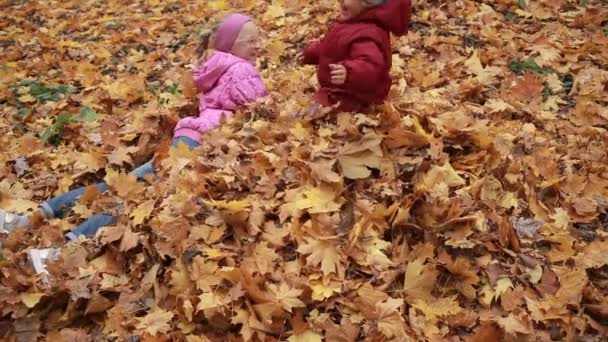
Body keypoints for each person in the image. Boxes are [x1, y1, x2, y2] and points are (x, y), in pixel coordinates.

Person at [0, 13, 267, 275]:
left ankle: (27, 220)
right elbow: (261, 112)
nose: (258, 46)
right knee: (135, 201)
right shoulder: (243, 69)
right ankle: (58, 255)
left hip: (187, 140)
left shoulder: (217, 66)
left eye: (259, 39)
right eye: (251, 41)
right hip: (200, 147)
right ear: (230, 44)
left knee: (116, 187)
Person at [301, 0, 412, 113]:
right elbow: (334, 47)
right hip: (337, 90)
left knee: (312, 113)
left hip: (356, 96)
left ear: (366, 3)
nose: (342, 2)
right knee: (309, 110)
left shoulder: (368, 34)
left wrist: (349, 72)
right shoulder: (351, 24)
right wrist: (312, 53)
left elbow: (371, 65)